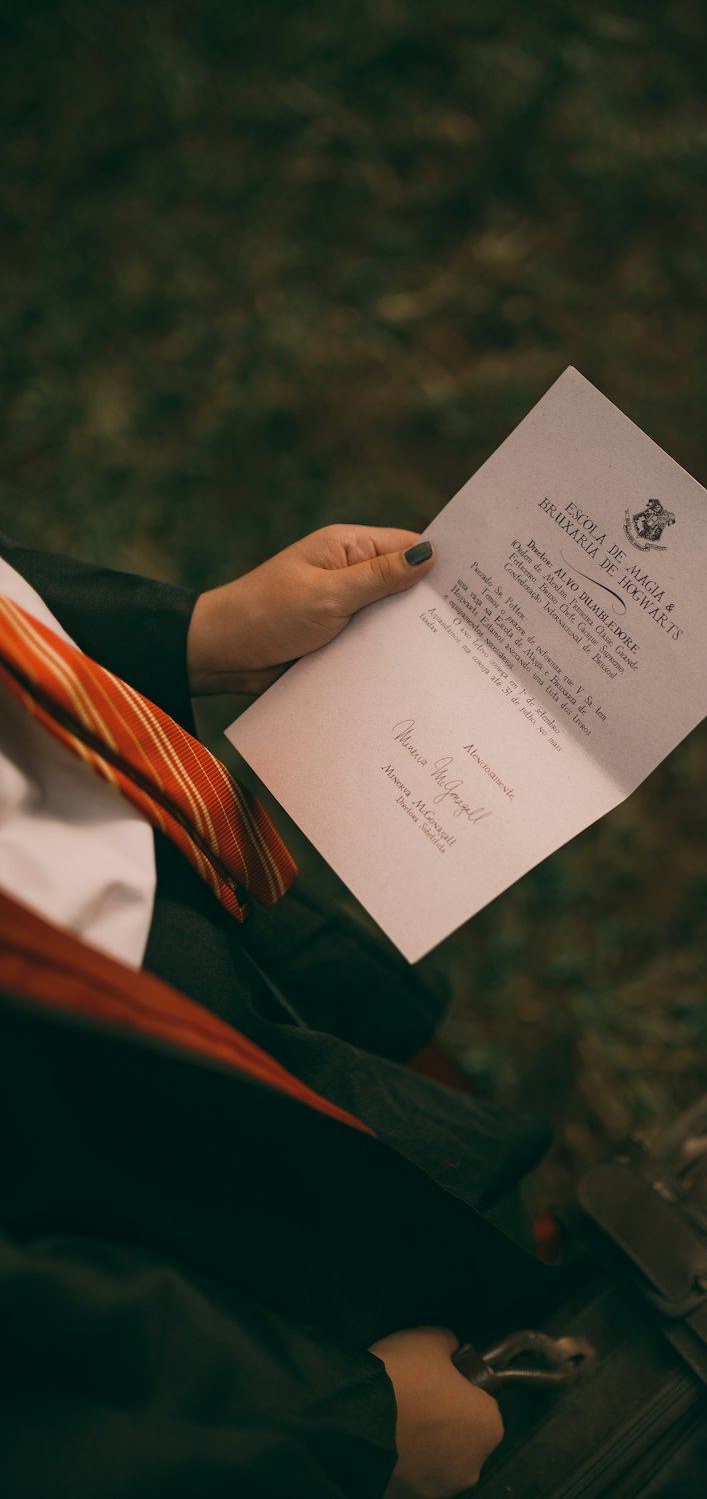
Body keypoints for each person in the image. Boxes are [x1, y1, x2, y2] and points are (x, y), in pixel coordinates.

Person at [0, 525, 559, 1498]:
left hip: (164, 865)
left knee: (444, 1204)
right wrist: (343, 1419)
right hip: (111, 1176)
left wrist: (195, 631)